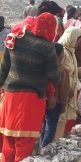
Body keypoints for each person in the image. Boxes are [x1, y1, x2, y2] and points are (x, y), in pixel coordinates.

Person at [0, 13, 60, 162]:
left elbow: (3, 68)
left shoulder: (15, 37)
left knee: (8, 142)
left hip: (10, 98)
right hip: (31, 101)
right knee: (24, 145)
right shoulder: (47, 47)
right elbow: (54, 76)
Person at [40, 43, 71, 147]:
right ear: (59, 54)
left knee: (44, 128)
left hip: (43, 101)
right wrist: (63, 105)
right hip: (55, 102)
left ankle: (41, 150)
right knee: (50, 129)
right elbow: (64, 90)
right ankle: (45, 151)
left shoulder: (43, 66)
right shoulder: (62, 70)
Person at [55, 27, 81, 139]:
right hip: (63, 89)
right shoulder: (63, 51)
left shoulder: (70, 51)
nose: (78, 43)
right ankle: (55, 141)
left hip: (69, 89)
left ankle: (58, 140)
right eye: (78, 40)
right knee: (60, 118)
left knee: (64, 118)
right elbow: (60, 71)